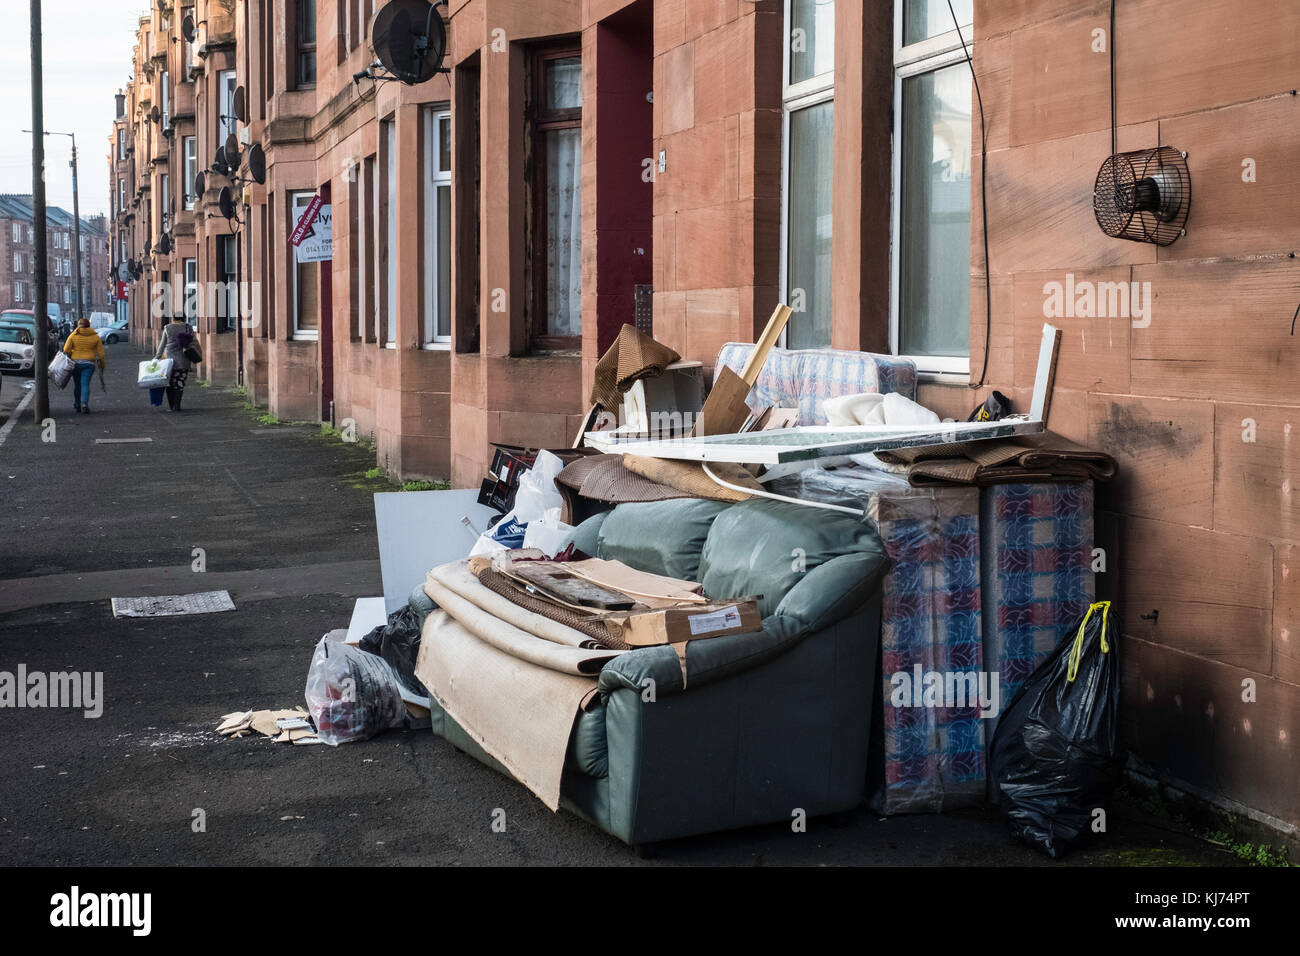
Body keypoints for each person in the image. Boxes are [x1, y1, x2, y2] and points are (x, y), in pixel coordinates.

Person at [61, 318, 106, 415]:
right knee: (85, 384)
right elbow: (101, 355)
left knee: (77, 385)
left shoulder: (74, 334)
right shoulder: (95, 336)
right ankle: (84, 404)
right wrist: (102, 367)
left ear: (79, 325)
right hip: (89, 364)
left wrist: (73, 352)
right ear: (88, 325)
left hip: (75, 364)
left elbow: (66, 349)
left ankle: (77, 404)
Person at [155, 315, 199, 411]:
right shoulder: (188, 327)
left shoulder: (168, 328)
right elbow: (193, 342)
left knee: (169, 383)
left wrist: (156, 358)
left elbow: (162, 345)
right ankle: (177, 406)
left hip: (169, 362)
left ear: (173, 319)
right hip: (183, 360)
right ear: (184, 318)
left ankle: (171, 407)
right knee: (179, 382)